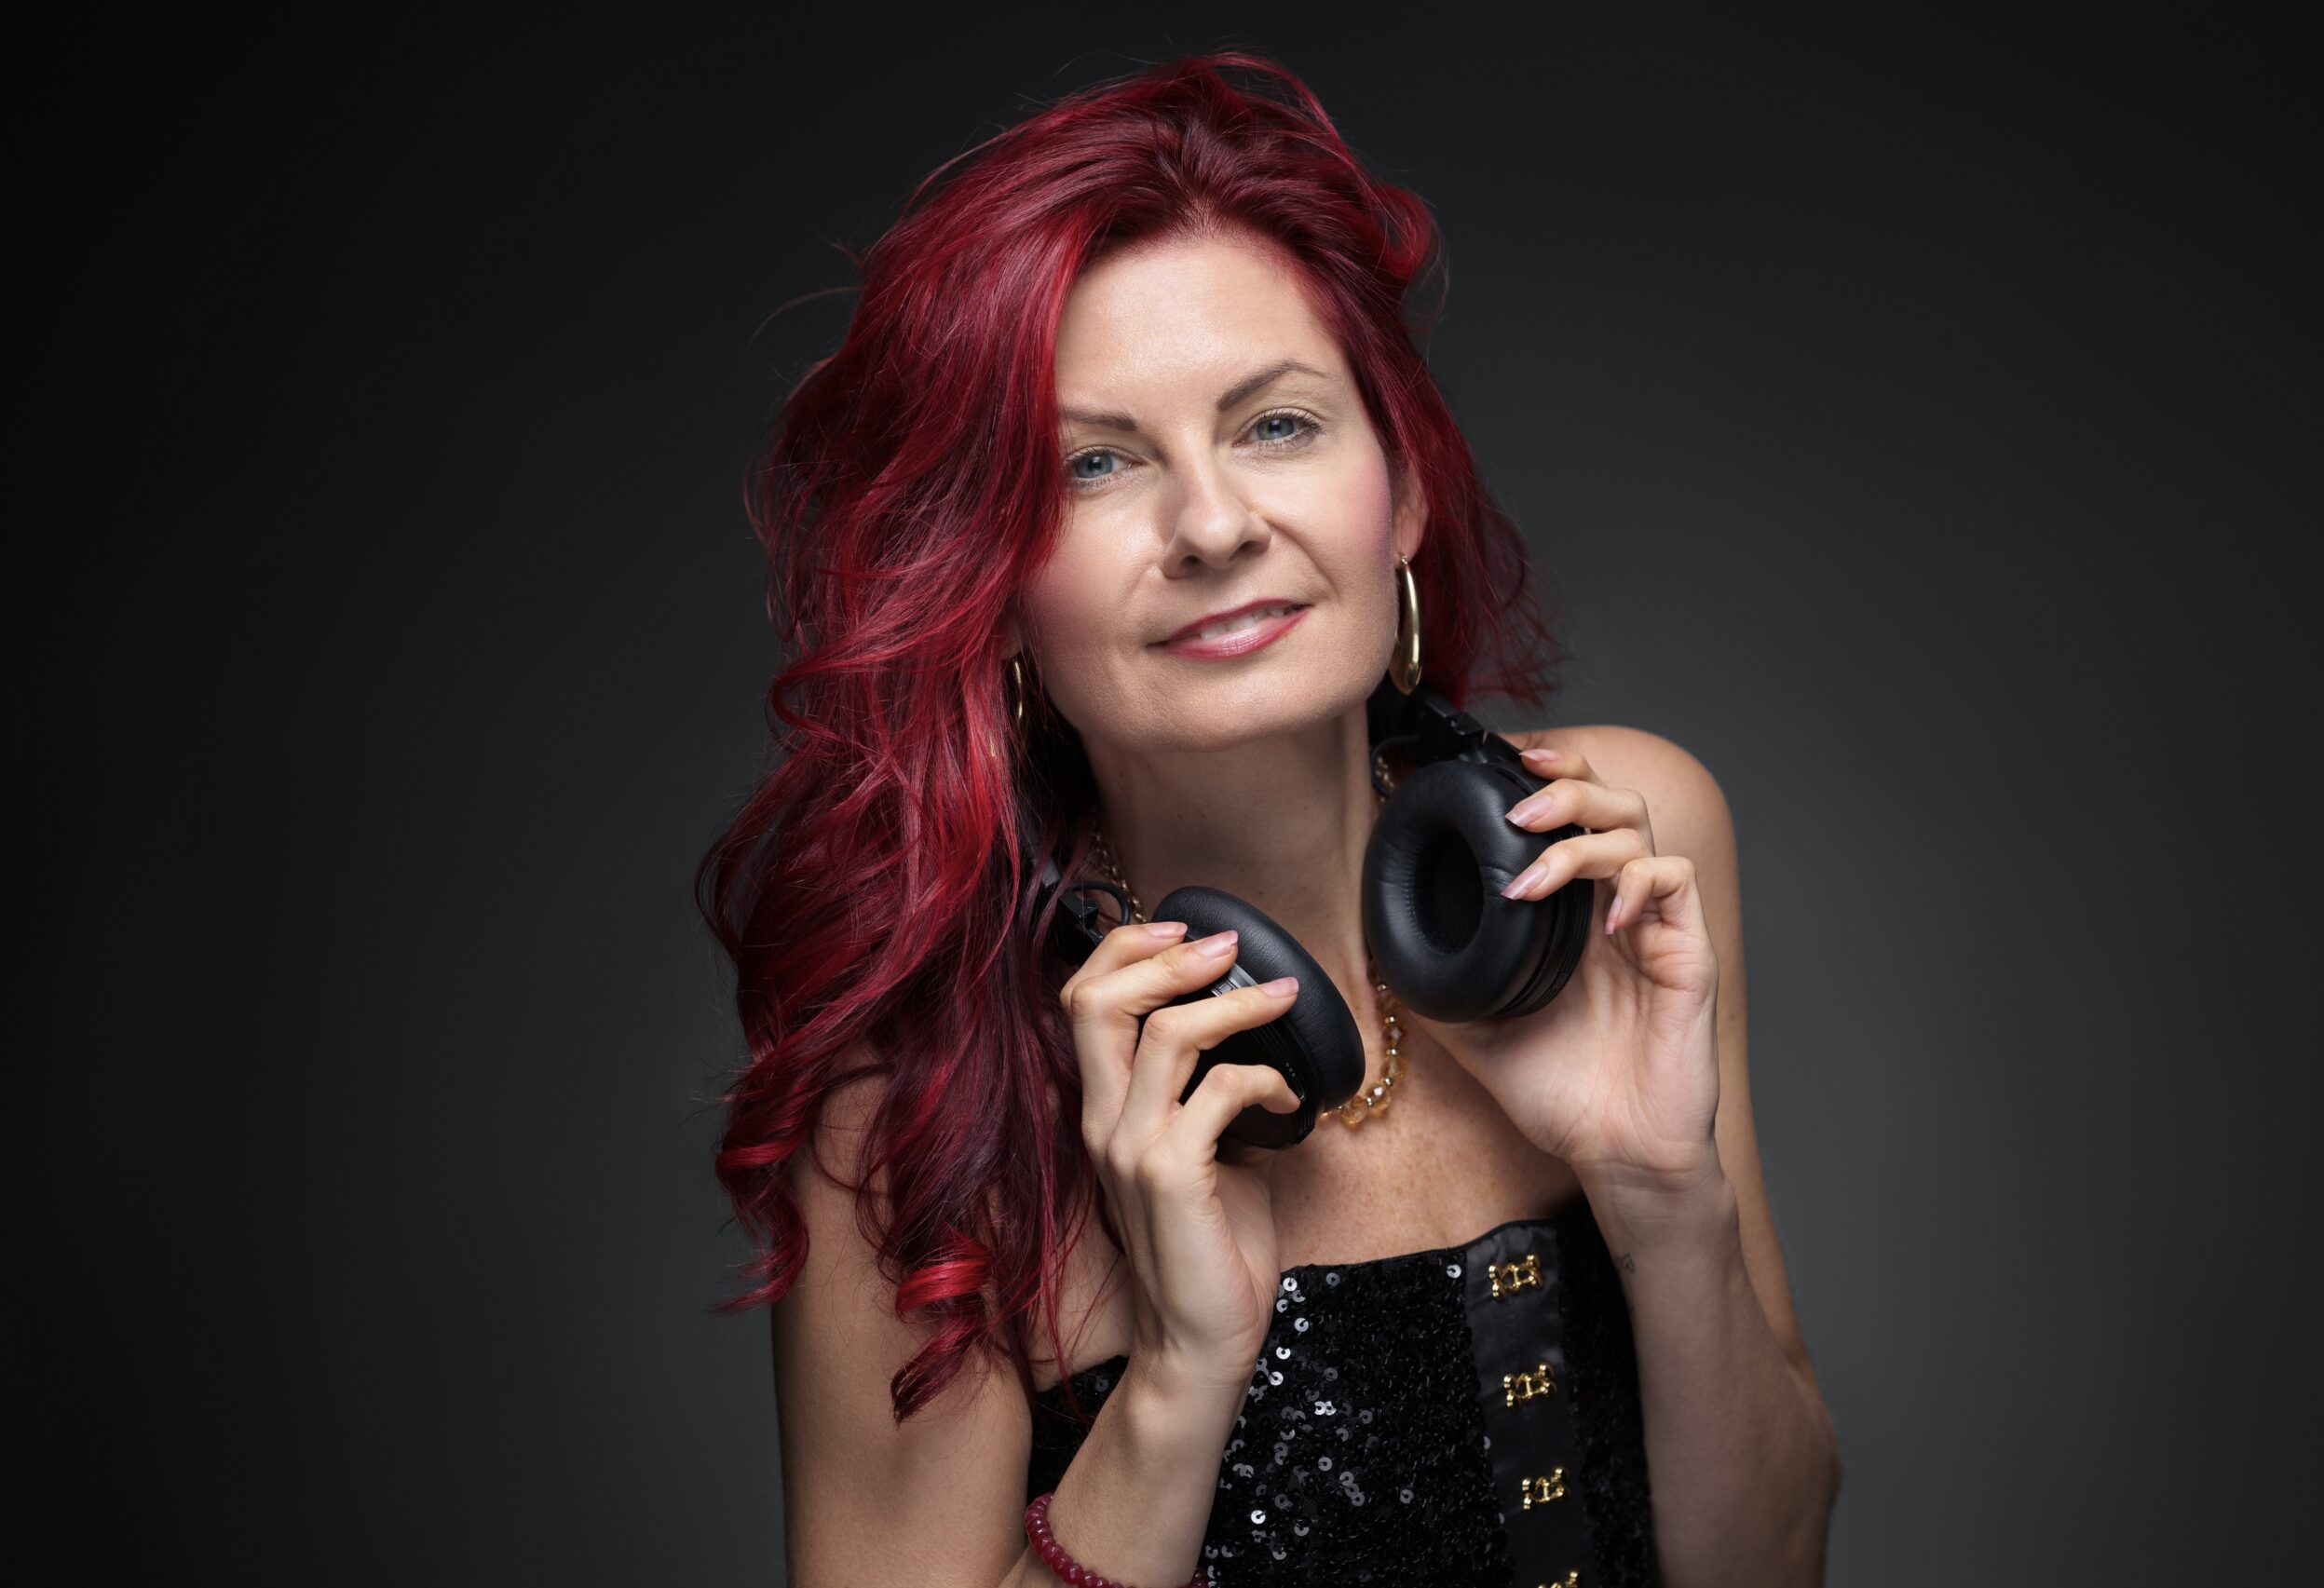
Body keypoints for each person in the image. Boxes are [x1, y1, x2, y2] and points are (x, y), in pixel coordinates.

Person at [699, 51, 1842, 1588]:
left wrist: (1663, 1196)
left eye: (1278, 426)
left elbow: (1772, 1564)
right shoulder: (923, 1098)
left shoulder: (1622, 853)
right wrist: (1181, 1375)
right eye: (1096, 464)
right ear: (997, 587)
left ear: (1403, 488)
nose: (1215, 524)